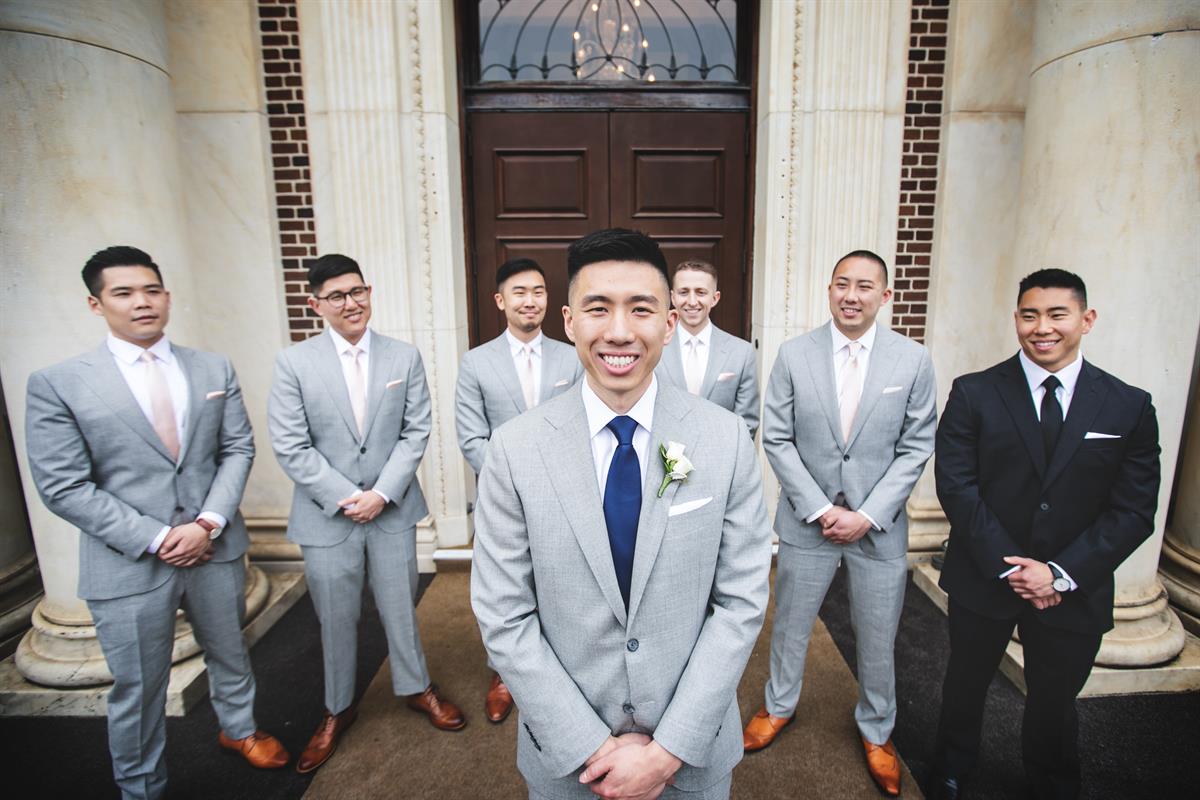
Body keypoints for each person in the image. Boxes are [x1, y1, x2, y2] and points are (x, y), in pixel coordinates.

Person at [470, 228, 773, 800]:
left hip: (690, 757)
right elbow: (503, 613)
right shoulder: (513, 449)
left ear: (669, 323)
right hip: (568, 762)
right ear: (568, 322)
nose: (618, 331)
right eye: (597, 308)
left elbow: (740, 602)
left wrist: (668, 750)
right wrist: (591, 747)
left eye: (640, 309)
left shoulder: (726, 438)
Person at [25, 246, 288, 800]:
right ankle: (141, 785)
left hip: (213, 546)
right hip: (128, 559)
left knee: (230, 650)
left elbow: (237, 449)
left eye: (151, 290)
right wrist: (160, 537)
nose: (141, 302)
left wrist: (207, 523)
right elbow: (64, 486)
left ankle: (239, 728)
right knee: (139, 685)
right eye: (123, 293)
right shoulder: (58, 383)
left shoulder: (212, 367)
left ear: (166, 297)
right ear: (96, 304)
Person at [930, 268, 1160, 800]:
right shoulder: (974, 392)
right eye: (1030, 315)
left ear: (1087, 319)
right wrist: (1012, 567)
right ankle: (950, 769)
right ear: (1016, 319)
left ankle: (1052, 781)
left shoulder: (1128, 405)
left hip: (1074, 587)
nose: (1043, 327)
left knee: (1055, 702)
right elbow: (957, 487)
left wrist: (1059, 573)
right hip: (985, 577)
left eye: (1058, 314)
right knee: (964, 685)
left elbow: (1133, 510)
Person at [743, 250, 936, 797]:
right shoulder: (794, 354)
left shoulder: (913, 360)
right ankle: (779, 705)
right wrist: (822, 509)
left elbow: (917, 445)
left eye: (865, 286)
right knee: (790, 625)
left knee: (878, 634)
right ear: (829, 290)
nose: (852, 296)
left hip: (879, 526)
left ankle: (877, 730)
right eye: (842, 284)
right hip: (810, 522)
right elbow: (776, 437)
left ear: (885, 296)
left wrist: (867, 515)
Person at [268, 253, 465, 774]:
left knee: (401, 606)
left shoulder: (403, 357)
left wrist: (380, 493)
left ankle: (417, 686)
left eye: (358, 291)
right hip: (326, 516)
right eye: (337, 296)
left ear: (369, 293)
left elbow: (416, 430)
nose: (351, 303)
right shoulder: (294, 363)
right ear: (315, 305)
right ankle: (337, 708)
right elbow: (290, 444)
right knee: (335, 617)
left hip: (390, 509)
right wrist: (345, 496)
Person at [455, 256, 582, 722]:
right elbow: (472, 436)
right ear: (500, 300)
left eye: (538, 291)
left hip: (565, 495)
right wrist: (515, 484)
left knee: (563, 582)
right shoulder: (475, 362)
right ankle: (504, 674)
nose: (530, 300)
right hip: (502, 499)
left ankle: (565, 664)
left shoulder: (572, 356)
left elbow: (582, 424)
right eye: (520, 292)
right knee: (505, 586)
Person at [655, 260, 759, 439]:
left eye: (701, 292)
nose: (692, 301)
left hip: (721, 452)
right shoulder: (654, 347)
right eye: (684, 292)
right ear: (672, 297)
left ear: (715, 298)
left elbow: (746, 424)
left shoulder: (741, 352)